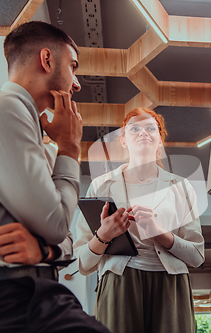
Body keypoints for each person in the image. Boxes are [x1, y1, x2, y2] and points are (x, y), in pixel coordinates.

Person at [0, 21, 110, 332]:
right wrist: (70, 146)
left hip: (31, 295)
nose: (76, 83)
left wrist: (45, 250)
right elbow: (55, 223)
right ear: (47, 59)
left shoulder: (38, 141)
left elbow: (62, 241)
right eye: (72, 66)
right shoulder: (1, 107)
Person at [74, 107, 204, 333]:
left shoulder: (181, 187)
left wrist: (160, 233)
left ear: (160, 139)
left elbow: (197, 256)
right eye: (134, 128)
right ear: (123, 140)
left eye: (151, 128)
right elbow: (82, 263)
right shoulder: (101, 185)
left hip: (171, 286)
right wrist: (103, 236)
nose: (143, 132)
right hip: (118, 284)